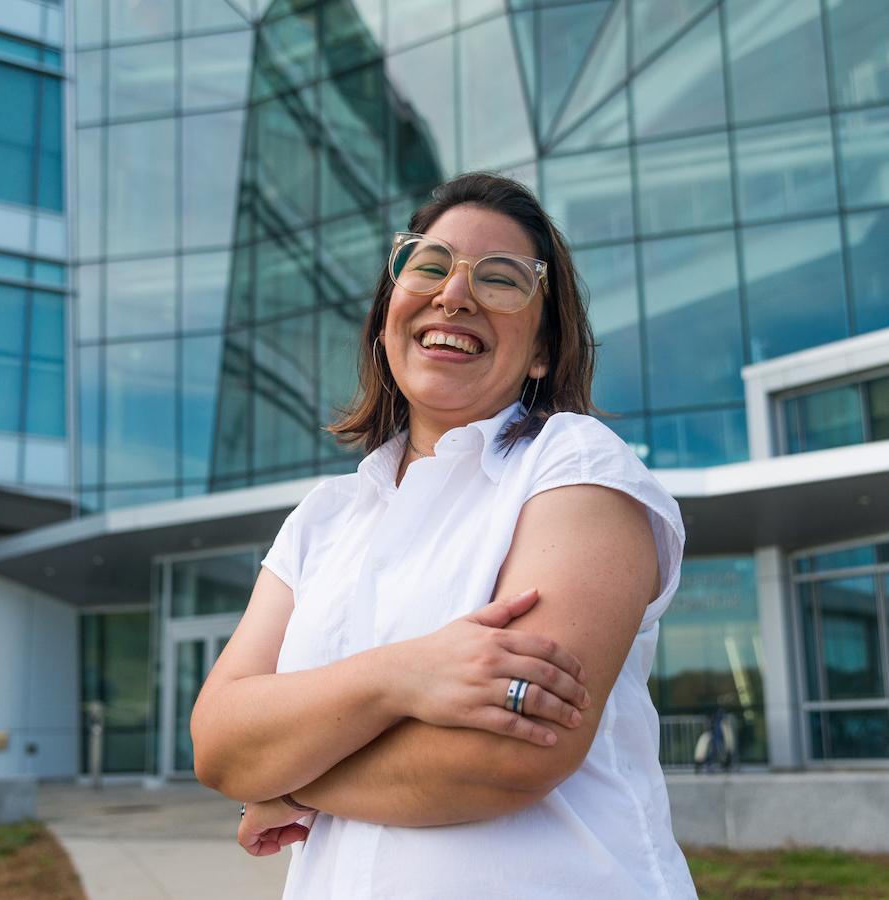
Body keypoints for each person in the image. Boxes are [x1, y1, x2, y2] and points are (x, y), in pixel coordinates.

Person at [191, 172, 698, 899]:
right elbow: (219, 744)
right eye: (428, 266)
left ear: (543, 351)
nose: (453, 295)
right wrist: (405, 673)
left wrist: (294, 783)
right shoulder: (323, 518)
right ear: (386, 315)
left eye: (501, 280)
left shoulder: (574, 464)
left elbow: (510, 755)